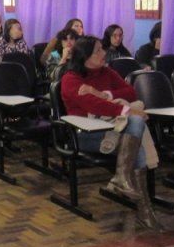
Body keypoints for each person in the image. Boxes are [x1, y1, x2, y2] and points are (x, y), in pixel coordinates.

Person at [60, 36, 159, 228]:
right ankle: (143, 208)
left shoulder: (107, 72)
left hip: (114, 127)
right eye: (98, 50)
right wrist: (126, 110)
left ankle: (123, 178)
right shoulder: (70, 79)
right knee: (136, 134)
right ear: (85, 56)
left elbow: (131, 92)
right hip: (85, 135)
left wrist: (104, 94)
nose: (104, 53)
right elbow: (93, 105)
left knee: (135, 129)